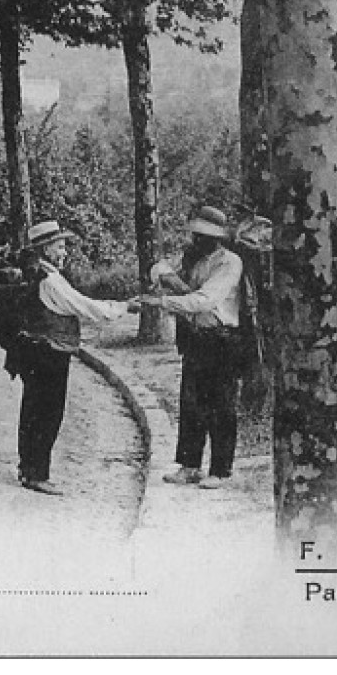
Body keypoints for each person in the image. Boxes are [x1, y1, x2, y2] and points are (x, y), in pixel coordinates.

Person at [0, 220, 133, 496]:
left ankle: (28, 468)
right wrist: (122, 307)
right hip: (49, 352)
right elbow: (84, 306)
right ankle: (37, 474)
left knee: (32, 410)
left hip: (32, 349)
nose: (64, 252)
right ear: (45, 249)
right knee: (48, 413)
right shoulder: (49, 280)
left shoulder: (36, 274)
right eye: (60, 246)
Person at [134, 205, 246, 490]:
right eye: (195, 234)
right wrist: (168, 279)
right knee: (192, 402)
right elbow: (160, 270)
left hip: (222, 339)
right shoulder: (194, 260)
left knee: (222, 405)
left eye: (202, 235)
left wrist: (163, 301)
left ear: (216, 237)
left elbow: (204, 301)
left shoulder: (229, 263)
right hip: (197, 337)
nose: (195, 240)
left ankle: (220, 469)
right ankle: (190, 465)